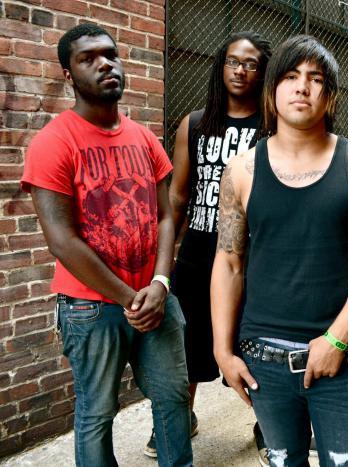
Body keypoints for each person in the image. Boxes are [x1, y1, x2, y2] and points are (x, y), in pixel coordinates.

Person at [211, 35, 348, 466]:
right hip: (263, 359)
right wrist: (222, 350)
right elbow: (229, 262)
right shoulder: (241, 170)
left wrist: (336, 338)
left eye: (316, 78)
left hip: (341, 358)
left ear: (330, 95)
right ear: (272, 89)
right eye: (291, 76)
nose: (302, 87)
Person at [20, 24, 192, 467]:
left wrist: (160, 283)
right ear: (68, 74)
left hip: (155, 297)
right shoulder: (53, 143)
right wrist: (131, 298)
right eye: (88, 58)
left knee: (173, 398)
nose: (104, 64)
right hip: (91, 307)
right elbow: (62, 241)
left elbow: (166, 214)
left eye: (110, 55)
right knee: (97, 414)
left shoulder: (144, 138)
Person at [143, 31, 272, 462]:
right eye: (233, 61)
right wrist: (164, 264)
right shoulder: (196, 123)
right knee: (185, 344)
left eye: (251, 64)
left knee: (256, 344)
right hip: (199, 251)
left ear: (263, 72)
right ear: (221, 66)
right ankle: (183, 417)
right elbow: (179, 196)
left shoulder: (271, 127)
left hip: (253, 254)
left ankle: (269, 424)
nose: (241, 70)